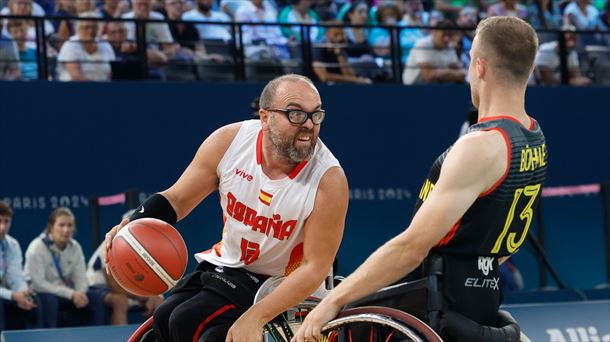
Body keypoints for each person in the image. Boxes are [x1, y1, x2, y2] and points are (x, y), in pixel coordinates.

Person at [295, 16, 547, 342]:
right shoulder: (534, 135)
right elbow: (501, 243)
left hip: (434, 308)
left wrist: (332, 303)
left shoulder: (481, 145)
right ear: (529, 68)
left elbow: (411, 249)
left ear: (480, 67)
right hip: (481, 299)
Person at [104, 74, 348, 341]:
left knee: (191, 323)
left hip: (283, 283)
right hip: (231, 267)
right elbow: (176, 199)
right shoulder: (230, 142)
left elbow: (313, 268)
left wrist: (256, 317)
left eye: (316, 115)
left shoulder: (329, 180)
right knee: (165, 317)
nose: (309, 125)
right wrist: (132, 226)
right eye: (296, 114)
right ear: (265, 118)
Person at [24, 207, 107, 327]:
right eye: (61, 225)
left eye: (70, 225)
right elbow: (38, 284)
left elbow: (81, 278)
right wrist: (71, 294)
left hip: (69, 293)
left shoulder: (75, 247)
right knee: (49, 301)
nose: (66, 230)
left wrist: (80, 294)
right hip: (43, 293)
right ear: (51, 227)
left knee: (95, 299)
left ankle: (97, 337)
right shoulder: (37, 247)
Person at [87, 210, 163, 325]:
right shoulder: (111, 244)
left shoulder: (142, 247)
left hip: (124, 289)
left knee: (159, 299)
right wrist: (141, 297)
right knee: (120, 301)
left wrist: (150, 296)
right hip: (96, 288)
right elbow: (113, 285)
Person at [0, 201, 42, 333]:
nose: (2, 227)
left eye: (6, 222)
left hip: (7, 292)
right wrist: (13, 295)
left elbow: (15, 276)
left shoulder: (13, 244)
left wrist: (23, 292)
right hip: (4, 294)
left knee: (33, 301)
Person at [57, 12, 116, 81]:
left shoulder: (105, 45)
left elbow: (112, 72)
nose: (90, 31)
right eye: (86, 27)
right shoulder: (71, 44)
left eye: (94, 27)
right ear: (78, 28)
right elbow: (76, 76)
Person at [402, 20, 466, 85]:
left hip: (438, 87)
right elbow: (428, 76)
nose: (447, 38)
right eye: (444, 34)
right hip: (413, 88)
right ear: (434, 32)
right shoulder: (422, 44)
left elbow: (461, 73)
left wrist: (444, 73)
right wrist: (450, 73)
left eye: (449, 35)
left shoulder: (449, 46)